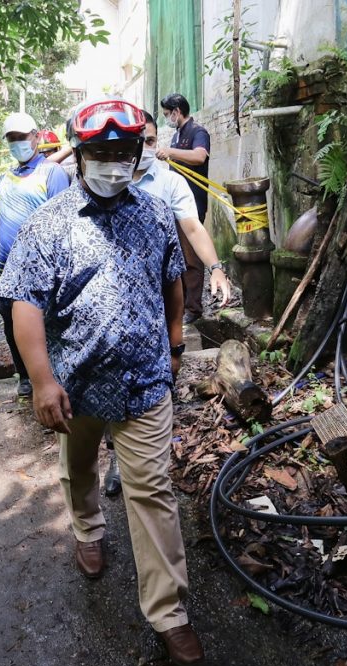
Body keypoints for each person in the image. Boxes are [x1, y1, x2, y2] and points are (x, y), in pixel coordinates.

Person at [0, 98, 205, 666]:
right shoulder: (50, 224)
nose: (113, 163)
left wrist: (177, 340)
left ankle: (170, 613)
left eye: (122, 153)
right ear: (80, 155)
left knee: (152, 491)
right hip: (77, 383)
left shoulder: (156, 214)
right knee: (79, 465)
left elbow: (172, 283)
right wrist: (41, 380)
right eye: (101, 153)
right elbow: (25, 305)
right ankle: (88, 530)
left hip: (143, 382)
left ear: (137, 154)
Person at [101, 110, 233, 498]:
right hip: (115, 298)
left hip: (160, 295)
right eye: (138, 139)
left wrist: (216, 268)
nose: (144, 147)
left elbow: (193, 227)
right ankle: (117, 458)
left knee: (160, 370)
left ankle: (153, 454)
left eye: (151, 140)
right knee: (116, 374)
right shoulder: (105, 181)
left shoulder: (170, 182)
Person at [0, 112, 69, 397]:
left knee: (49, 322)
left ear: (36, 137)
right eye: (12, 139)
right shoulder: (6, 179)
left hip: (44, 266)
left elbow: (63, 219)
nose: (18, 143)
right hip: (8, 269)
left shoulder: (51, 173)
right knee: (12, 324)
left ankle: (55, 376)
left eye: (22, 137)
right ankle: (26, 375)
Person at [157, 93, 211, 325]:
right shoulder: (177, 135)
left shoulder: (198, 132)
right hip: (175, 204)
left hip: (192, 205)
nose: (168, 118)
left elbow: (200, 157)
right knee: (178, 258)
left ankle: (194, 308)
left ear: (177, 111)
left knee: (192, 258)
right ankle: (183, 304)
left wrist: (171, 152)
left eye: (168, 114)